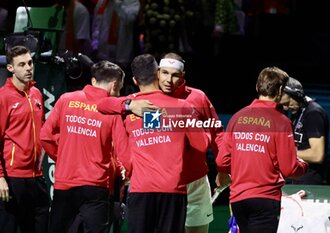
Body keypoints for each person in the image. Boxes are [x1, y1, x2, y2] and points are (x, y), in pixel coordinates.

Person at [97, 53, 210, 233]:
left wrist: (128, 105)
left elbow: (101, 104)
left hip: (141, 190)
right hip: (173, 190)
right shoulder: (183, 107)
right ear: (157, 74)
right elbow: (203, 144)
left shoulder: (128, 106)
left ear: (134, 80)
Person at [216, 66, 309, 233]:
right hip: (265, 199)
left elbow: (222, 161)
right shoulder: (281, 122)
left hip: (238, 200)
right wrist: (303, 166)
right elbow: (289, 168)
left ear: (257, 87)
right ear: (281, 90)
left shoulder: (237, 117)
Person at [40, 60, 128, 233]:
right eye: (119, 89)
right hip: (96, 187)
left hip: (64, 183)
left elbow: (45, 137)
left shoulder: (66, 99)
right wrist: (123, 169)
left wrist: (63, 158)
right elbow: (122, 149)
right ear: (114, 84)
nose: (118, 94)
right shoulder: (112, 110)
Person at [157, 52, 230, 233]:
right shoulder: (147, 100)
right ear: (157, 73)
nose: (168, 79)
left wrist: (223, 168)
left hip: (195, 181)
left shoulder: (198, 98)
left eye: (174, 75)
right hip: (160, 182)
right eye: (164, 73)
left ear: (183, 76)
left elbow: (217, 133)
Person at [0, 45, 50, 233]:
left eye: (30, 63)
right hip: (13, 179)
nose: (28, 67)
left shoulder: (36, 94)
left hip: (36, 177)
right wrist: (0, 178)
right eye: (21, 64)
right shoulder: (3, 98)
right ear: (10, 68)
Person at [280, 77, 329, 185]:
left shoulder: (313, 113)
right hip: (296, 180)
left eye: (287, 103)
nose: (285, 108)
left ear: (296, 95)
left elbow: (317, 155)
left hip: (309, 184)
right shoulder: (297, 111)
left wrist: (286, 153)